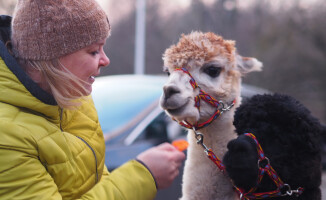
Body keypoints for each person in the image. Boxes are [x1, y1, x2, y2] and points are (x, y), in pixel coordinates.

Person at [0, 0, 185, 199]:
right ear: (51, 57)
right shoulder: (6, 137)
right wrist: (144, 175)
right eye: (93, 51)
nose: (106, 60)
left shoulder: (75, 99)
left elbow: (96, 181)